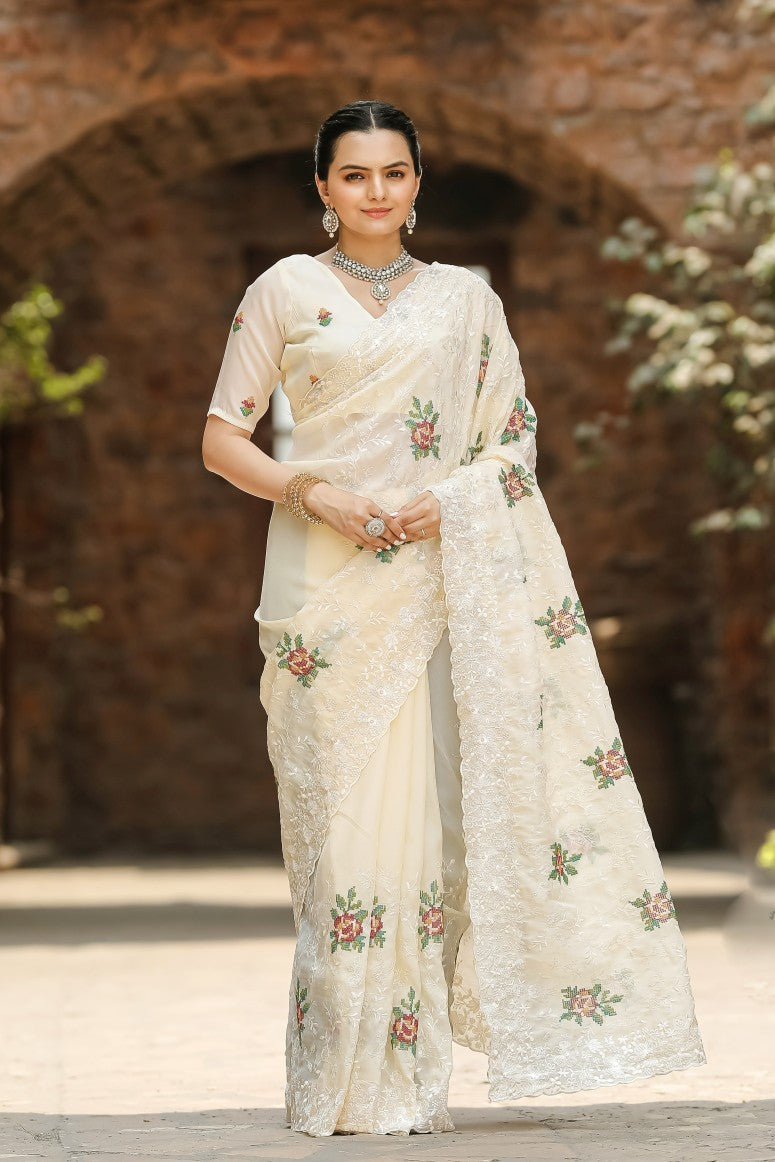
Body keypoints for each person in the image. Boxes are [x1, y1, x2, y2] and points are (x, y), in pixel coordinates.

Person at [201, 100, 706, 1138]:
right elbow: (221, 439)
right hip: (323, 591)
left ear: (417, 184)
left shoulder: (466, 302)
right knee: (342, 838)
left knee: (428, 831)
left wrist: (453, 500)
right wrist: (314, 492)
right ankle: (339, 1076)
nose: (375, 191)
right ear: (323, 187)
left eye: (393, 173)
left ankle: (406, 1081)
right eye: (354, 174)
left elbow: (511, 444)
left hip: (433, 578)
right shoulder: (283, 289)